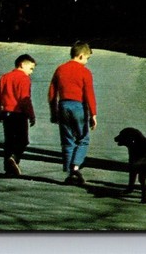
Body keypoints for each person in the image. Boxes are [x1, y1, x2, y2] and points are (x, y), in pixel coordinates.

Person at [48, 41, 97, 185]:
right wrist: (93, 113)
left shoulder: (60, 69)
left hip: (63, 105)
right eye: (87, 58)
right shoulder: (84, 72)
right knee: (83, 138)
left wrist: (53, 111)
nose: (86, 62)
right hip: (78, 107)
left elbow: (52, 92)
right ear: (81, 55)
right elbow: (89, 94)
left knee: (67, 140)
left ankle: (70, 173)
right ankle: (75, 166)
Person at [0, 54, 37, 176]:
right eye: (31, 68)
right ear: (22, 64)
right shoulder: (24, 79)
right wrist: (31, 115)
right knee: (23, 140)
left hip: (6, 113)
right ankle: (14, 158)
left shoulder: (5, 77)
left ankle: (8, 168)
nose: (31, 72)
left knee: (9, 141)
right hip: (19, 114)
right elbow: (25, 99)